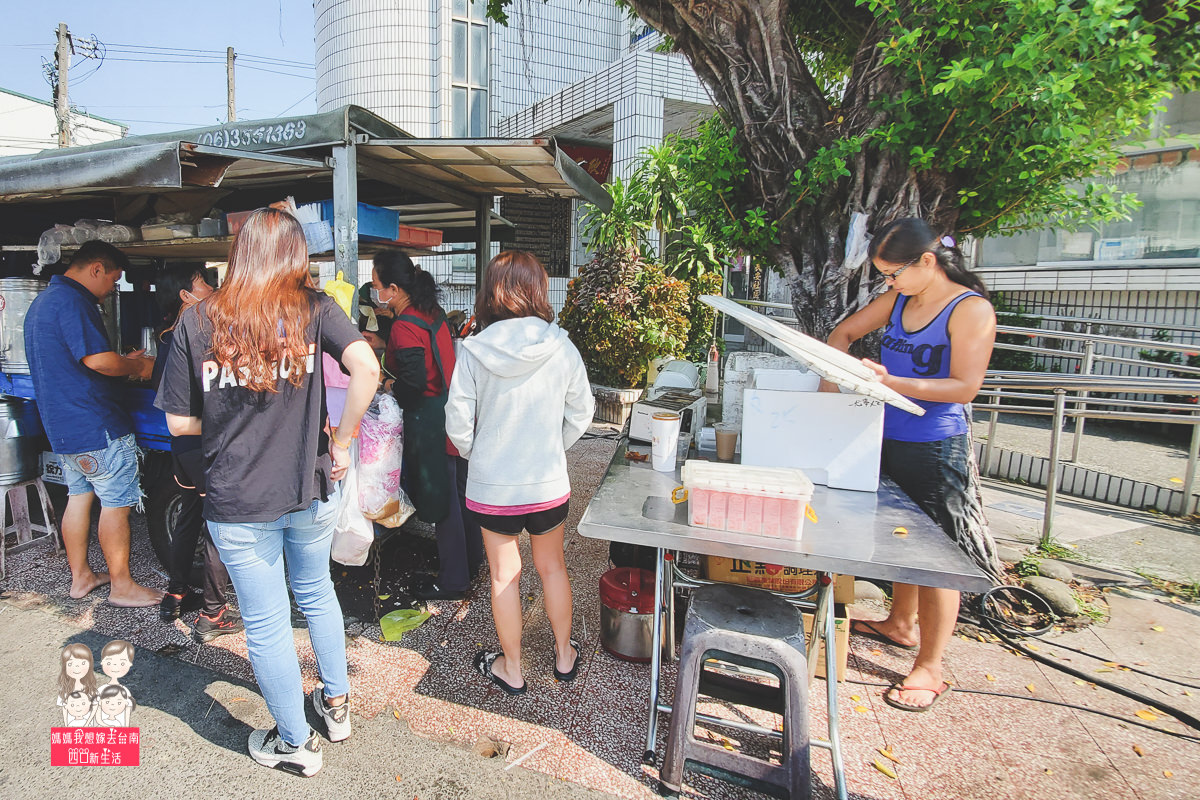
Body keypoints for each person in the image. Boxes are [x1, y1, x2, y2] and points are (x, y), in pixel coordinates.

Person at [156, 208, 379, 776]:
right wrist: (344, 441)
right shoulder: (313, 309)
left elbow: (180, 425)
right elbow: (368, 369)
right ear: (295, 255)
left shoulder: (198, 320)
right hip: (310, 485)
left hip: (237, 498)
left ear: (241, 252)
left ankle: (294, 744)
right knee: (317, 592)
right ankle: (335, 706)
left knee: (267, 622)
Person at [822, 217, 1003, 713]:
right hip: (885, 434)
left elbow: (965, 387)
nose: (889, 283)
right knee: (900, 538)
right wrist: (827, 391)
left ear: (928, 261)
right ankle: (899, 623)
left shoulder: (970, 310)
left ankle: (931, 666)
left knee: (940, 557)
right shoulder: (900, 300)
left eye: (893, 273)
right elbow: (845, 332)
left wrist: (890, 382)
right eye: (883, 276)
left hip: (935, 444)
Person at [444, 251, 594, 694]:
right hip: (548, 482)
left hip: (493, 485)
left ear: (491, 291)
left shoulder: (472, 349)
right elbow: (582, 411)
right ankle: (564, 657)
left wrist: (482, 454)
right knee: (552, 567)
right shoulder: (561, 345)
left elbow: (456, 422)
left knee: (503, 575)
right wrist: (553, 447)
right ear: (537, 288)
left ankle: (512, 667)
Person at [24, 241, 161, 607]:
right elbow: (98, 362)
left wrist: (119, 359)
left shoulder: (43, 303)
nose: (112, 290)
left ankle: (81, 578)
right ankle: (122, 586)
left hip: (64, 426)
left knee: (79, 498)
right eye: (113, 281)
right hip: (96, 423)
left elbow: (74, 361)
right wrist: (137, 365)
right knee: (116, 503)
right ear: (97, 269)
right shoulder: (73, 301)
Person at [372, 252, 482, 602]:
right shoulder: (429, 313)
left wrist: (388, 386)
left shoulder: (405, 327)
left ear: (393, 288)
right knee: (461, 495)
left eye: (377, 287)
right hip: (456, 411)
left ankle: (452, 581)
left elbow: (414, 382)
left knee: (443, 501)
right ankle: (470, 564)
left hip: (432, 419)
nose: (376, 294)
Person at [150, 265, 242, 642]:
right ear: (186, 296)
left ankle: (176, 593)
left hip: (183, 449)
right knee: (217, 525)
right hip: (200, 443)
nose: (212, 288)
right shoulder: (198, 337)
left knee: (190, 514)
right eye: (203, 283)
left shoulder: (167, 337)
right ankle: (213, 612)